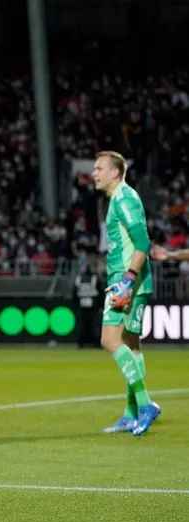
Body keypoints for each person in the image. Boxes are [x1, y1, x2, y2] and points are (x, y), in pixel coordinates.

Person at [92, 152, 159, 436]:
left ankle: (145, 406)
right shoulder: (119, 198)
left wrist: (127, 280)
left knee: (109, 339)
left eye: (99, 168)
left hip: (126, 282)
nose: (94, 172)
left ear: (116, 172)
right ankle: (132, 413)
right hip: (134, 282)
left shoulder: (123, 198)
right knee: (131, 345)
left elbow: (143, 240)